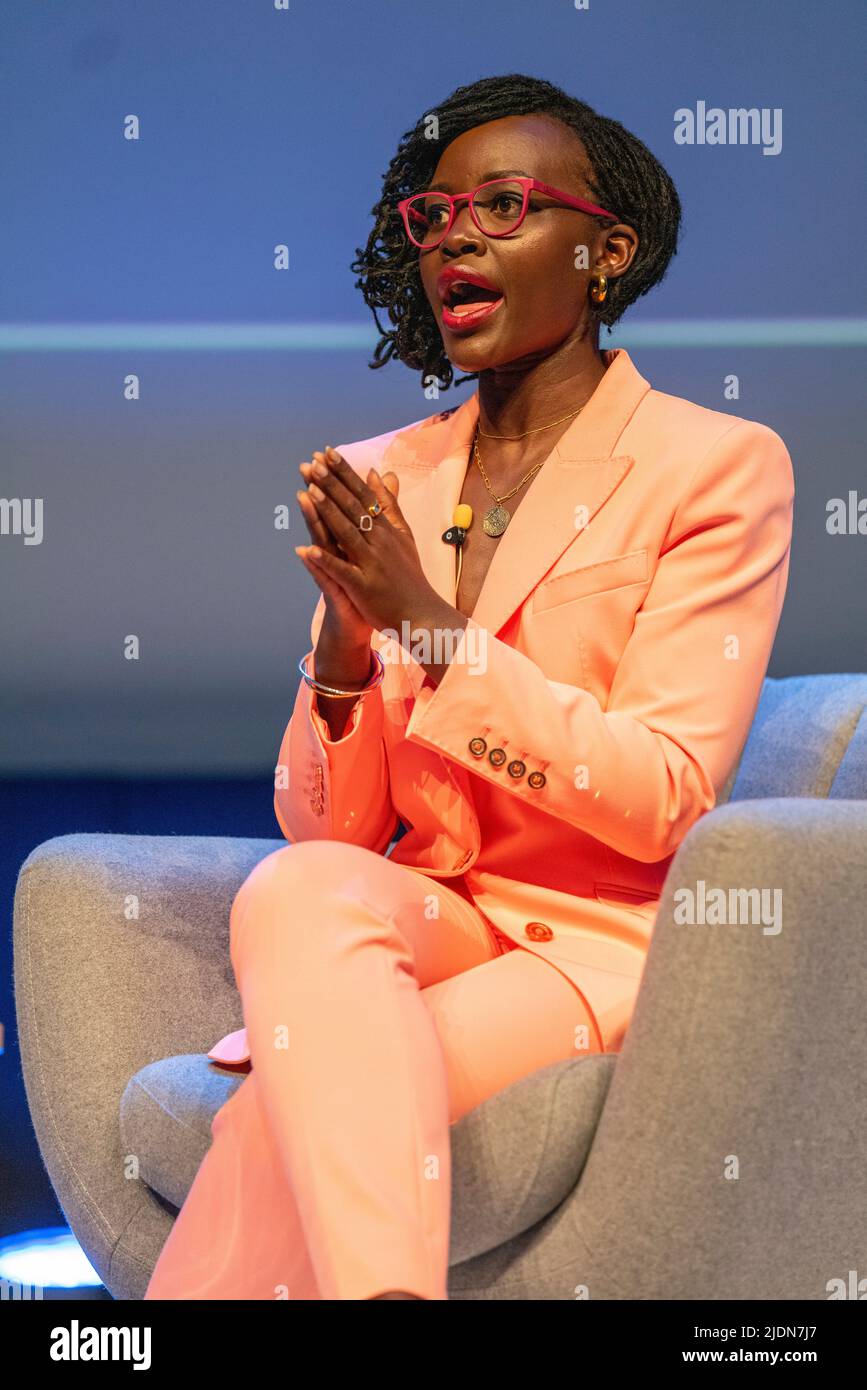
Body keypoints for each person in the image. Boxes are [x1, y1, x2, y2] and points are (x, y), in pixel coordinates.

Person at [145, 73, 794, 1302]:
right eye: (432, 218)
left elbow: (667, 793)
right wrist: (345, 654)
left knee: (281, 1123)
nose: (456, 239)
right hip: (444, 921)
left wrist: (427, 629)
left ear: (606, 252)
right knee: (302, 883)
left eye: (503, 206)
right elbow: (328, 827)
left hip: (599, 943)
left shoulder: (716, 466)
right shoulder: (390, 474)